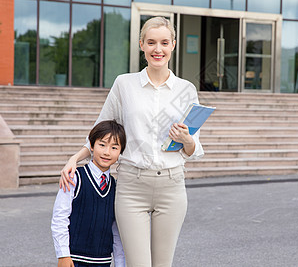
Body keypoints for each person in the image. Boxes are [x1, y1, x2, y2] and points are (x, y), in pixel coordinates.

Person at [59, 16, 204, 267]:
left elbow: (192, 148)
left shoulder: (186, 89)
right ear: (141, 45)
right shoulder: (124, 84)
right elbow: (100, 129)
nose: (157, 49)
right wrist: (75, 158)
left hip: (172, 185)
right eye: (151, 42)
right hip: (132, 187)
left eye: (164, 42)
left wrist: (186, 139)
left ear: (173, 45)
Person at [52, 120, 127, 267]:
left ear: (120, 152)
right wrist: (63, 255)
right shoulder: (74, 177)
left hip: (103, 261)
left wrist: (119, 263)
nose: (107, 152)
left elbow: (117, 231)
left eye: (114, 147)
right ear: (91, 146)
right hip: (74, 260)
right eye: (102, 145)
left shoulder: (115, 187)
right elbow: (60, 217)